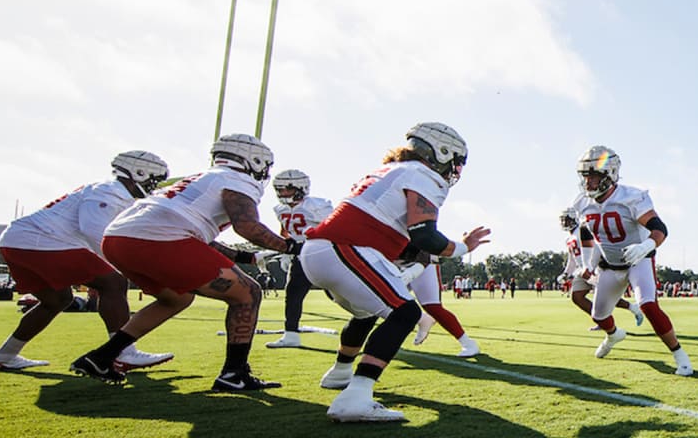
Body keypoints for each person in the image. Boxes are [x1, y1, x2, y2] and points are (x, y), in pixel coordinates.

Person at [70, 134, 298, 390]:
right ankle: (234, 374)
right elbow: (247, 226)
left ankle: (101, 357)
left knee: (177, 298)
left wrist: (247, 257)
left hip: (117, 238)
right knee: (248, 293)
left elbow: (192, 236)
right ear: (253, 160)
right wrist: (291, 246)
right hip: (158, 238)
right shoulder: (237, 179)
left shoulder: (199, 179)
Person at [301, 122, 491, 422]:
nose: (454, 171)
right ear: (440, 153)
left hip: (322, 251)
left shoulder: (388, 171)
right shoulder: (422, 175)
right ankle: (356, 396)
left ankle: (339, 372)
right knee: (405, 314)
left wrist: (417, 257)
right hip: (344, 248)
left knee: (367, 312)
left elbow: (397, 237)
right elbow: (425, 236)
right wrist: (464, 246)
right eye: (454, 162)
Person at [0, 151, 175, 374]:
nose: (155, 186)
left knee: (57, 300)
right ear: (139, 173)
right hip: (39, 240)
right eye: (153, 180)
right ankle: (123, 352)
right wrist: (130, 267)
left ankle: (4, 356)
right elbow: (94, 232)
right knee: (114, 282)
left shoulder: (109, 192)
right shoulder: (109, 192)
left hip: (20, 241)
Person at [571, 145, 692, 376]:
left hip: (639, 261)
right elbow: (587, 233)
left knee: (647, 304)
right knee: (599, 315)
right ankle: (614, 335)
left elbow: (660, 228)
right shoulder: (582, 203)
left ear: (609, 175)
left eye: (594, 176)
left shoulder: (631, 197)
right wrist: (587, 264)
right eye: (586, 176)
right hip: (609, 265)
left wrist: (646, 245)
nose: (588, 183)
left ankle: (679, 355)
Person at [265, 169, 334, 349]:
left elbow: (334, 228)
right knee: (293, 292)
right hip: (299, 254)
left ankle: (366, 316)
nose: (282, 193)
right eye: (279, 189)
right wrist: (287, 250)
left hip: (320, 251)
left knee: (337, 292)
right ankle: (291, 334)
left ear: (300, 187)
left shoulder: (317, 205)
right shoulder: (280, 209)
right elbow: (284, 232)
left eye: (286, 189)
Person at [559, 208, 643, 330]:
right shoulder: (569, 239)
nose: (564, 223)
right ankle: (603, 322)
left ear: (574, 218)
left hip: (592, 268)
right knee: (577, 297)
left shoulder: (582, 231)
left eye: (566, 220)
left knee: (605, 297)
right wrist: (566, 273)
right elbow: (572, 259)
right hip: (581, 271)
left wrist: (592, 267)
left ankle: (631, 309)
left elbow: (596, 248)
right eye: (563, 220)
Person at [408, 261, 480, 356]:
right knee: (386, 301)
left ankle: (468, 343)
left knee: (433, 307)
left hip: (420, 261)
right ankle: (422, 319)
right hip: (392, 264)